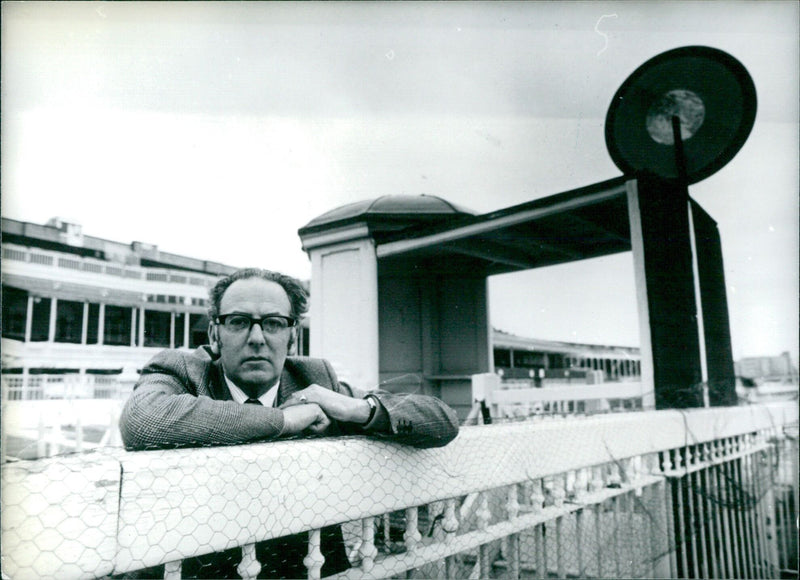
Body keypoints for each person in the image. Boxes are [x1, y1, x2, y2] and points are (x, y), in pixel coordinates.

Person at [119, 268, 459, 579]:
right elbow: (142, 420)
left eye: (273, 323)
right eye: (238, 321)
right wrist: (284, 419)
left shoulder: (314, 379)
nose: (256, 337)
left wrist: (354, 408)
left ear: (291, 337)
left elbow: (443, 421)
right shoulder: (184, 369)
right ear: (214, 333)